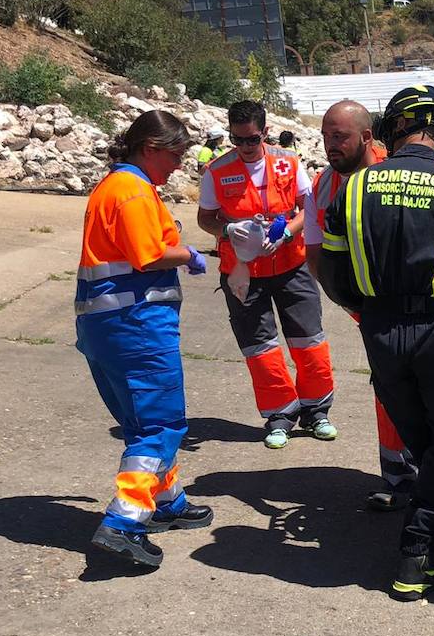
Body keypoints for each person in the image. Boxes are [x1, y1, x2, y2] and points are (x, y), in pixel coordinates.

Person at [318, 85, 434, 600]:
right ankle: (417, 550)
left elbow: (331, 270)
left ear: (393, 129)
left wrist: (365, 307)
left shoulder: (351, 188)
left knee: (424, 441)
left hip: (380, 330)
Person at [78, 111, 214, 568]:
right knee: (160, 424)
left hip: (108, 325)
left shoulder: (113, 186)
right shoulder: (133, 191)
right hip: (135, 325)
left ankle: (167, 499)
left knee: (144, 423)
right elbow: (148, 254)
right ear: (151, 148)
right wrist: (190, 254)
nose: (178, 166)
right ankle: (124, 522)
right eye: (175, 155)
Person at [197, 100, 336, 448]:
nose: (245, 147)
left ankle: (316, 411)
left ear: (265, 132)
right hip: (242, 273)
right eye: (237, 139)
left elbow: (310, 207)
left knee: (309, 340)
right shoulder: (216, 170)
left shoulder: (288, 162)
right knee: (260, 348)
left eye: (252, 139)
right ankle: (280, 415)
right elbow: (205, 218)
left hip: (291, 265)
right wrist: (228, 232)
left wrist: (289, 231)